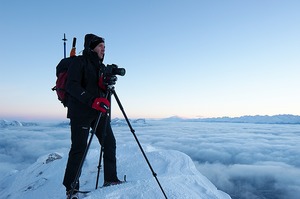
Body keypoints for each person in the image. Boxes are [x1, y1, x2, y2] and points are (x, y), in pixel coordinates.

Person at [63, 33, 122, 199]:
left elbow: (99, 91)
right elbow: (72, 86)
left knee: (109, 143)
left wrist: (106, 84)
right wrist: (92, 101)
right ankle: (71, 189)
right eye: (100, 46)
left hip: (99, 113)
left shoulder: (101, 67)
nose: (104, 49)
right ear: (91, 47)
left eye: (105, 47)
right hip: (80, 113)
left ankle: (110, 179)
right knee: (79, 149)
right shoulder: (79, 62)